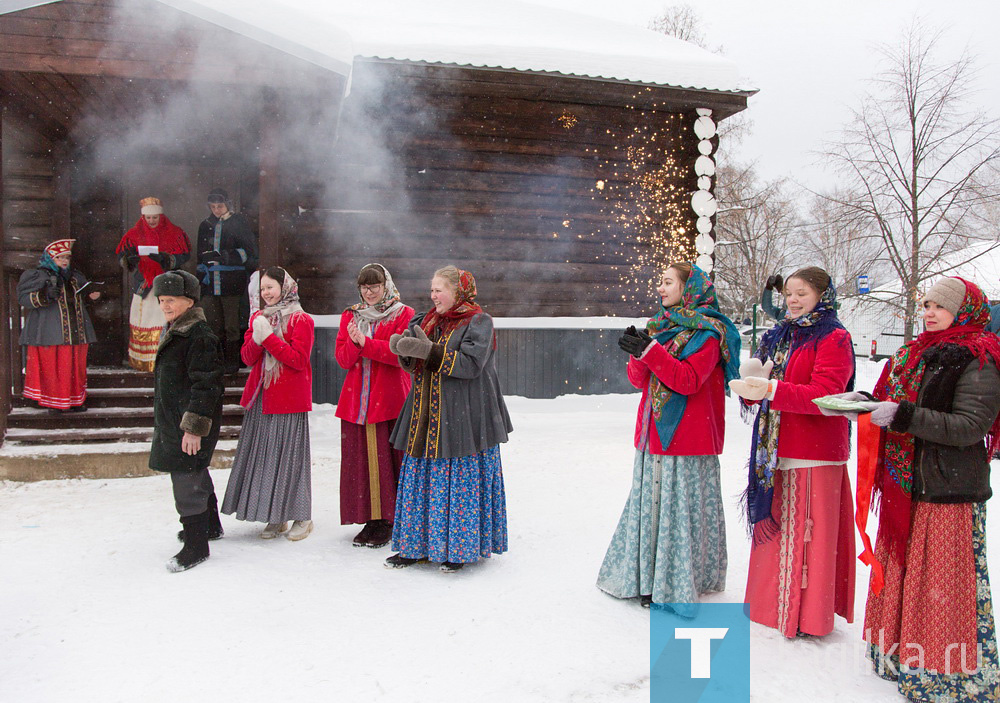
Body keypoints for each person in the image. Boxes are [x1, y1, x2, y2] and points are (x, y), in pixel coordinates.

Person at [827, 276, 1000, 701]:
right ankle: (899, 658)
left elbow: (969, 427)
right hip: (906, 484)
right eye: (925, 304)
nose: (928, 312)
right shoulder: (912, 353)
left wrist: (901, 416)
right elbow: (893, 401)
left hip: (948, 488)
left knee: (939, 586)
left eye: (939, 306)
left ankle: (946, 675)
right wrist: (865, 405)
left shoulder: (980, 358)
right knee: (906, 574)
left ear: (965, 311)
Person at [596, 262, 741, 610]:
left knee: (677, 512)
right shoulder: (660, 327)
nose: (660, 288)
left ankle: (673, 584)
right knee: (653, 509)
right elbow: (639, 381)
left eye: (667, 282)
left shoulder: (708, 333)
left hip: (687, 440)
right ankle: (647, 578)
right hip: (653, 435)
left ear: (689, 288)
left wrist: (650, 351)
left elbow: (688, 380)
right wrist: (638, 353)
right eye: (659, 282)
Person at [730, 266, 856, 638]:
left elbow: (827, 396)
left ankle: (806, 616)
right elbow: (764, 385)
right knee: (782, 530)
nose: (794, 300)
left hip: (814, 450)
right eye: (789, 294)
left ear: (823, 295)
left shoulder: (834, 337)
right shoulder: (779, 335)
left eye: (802, 292)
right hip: (776, 447)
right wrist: (752, 383)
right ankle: (773, 608)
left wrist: (772, 390)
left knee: (808, 537)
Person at [385, 265, 512, 573]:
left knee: (458, 481)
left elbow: (470, 365)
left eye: (439, 289)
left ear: (458, 292)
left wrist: (429, 352)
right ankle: (415, 546)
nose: (433, 295)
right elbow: (414, 358)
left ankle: (458, 548)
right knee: (420, 480)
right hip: (425, 414)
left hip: (463, 417)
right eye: (431, 289)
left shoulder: (478, 322)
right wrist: (404, 350)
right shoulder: (426, 320)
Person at [222, 267, 314, 541]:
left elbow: (298, 360)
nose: (266, 293)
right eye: (262, 289)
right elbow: (248, 358)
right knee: (265, 458)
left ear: (285, 287)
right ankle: (276, 516)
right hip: (262, 395)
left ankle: (303, 517)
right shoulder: (259, 318)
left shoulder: (301, 320)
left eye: (271, 287)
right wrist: (258, 337)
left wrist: (270, 339)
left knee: (290, 459)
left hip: (289, 398)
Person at [148, 270, 225, 573]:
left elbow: (207, 385)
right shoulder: (179, 329)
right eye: (162, 300)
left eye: (172, 300)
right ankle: (210, 526)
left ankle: (196, 545)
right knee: (193, 470)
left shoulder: (199, 335)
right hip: (175, 419)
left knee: (186, 476)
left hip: (189, 422)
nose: (165, 305)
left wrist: (193, 428)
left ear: (189, 301)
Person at [335, 264, 414, 548]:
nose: (369, 293)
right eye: (364, 287)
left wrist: (365, 343)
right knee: (362, 463)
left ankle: (391, 518)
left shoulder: (403, 314)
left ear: (386, 285)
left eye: (374, 287)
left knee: (389, 461)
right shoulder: (351, 315)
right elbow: (343, 359)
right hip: (358, 401)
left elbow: (400, 354)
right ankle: (370, 518)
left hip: (390, 399)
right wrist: (356, 344)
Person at [16, 239, 100, 411]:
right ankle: (52, 402)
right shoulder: (37, 276)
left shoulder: (75, 276)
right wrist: (43, 296)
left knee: (74, 367)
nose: (64, 261)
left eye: (66, 258)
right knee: (53, 367)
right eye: (59, 257)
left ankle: (75, 401)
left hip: (76, 329)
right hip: (48, 330)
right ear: (49, 258)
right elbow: (23, 299)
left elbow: (83, 295)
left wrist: (92, 295)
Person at [116, 197, 190, 372]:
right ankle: (144, 361)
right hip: (144, 285)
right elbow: (122, 258)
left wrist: (165, 259)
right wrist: (129, 259)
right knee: (144, 320)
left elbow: (184, 255)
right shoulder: (133, 234)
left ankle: (165, 361)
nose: (151, 221)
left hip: (167, 284)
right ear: (143, 218)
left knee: (165, 320)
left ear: (161, 216)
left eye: (155, 217)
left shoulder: (175, 233)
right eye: (148, 218)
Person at [196, 188, 258, 374]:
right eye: (213, 206)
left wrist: (227, 256)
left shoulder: (239, 223)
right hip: (210, 282)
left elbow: (250, 251)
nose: (216, 210)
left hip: (232, 282)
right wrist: (203, 268)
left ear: (227, 205)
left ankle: (232, 361)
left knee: (232, 324)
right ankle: (216, 361)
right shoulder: (205, 225)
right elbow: (200, 254)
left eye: (220, 206)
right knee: (212, 323)